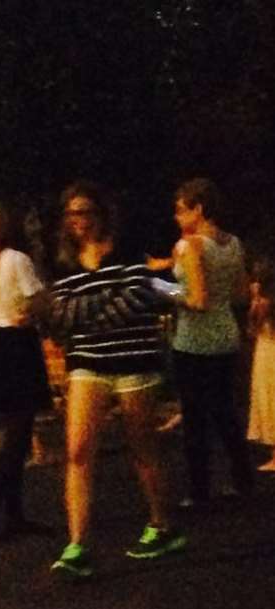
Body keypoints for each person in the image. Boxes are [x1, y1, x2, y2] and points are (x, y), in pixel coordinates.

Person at [49, 180, 185, 580]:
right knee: (77, 450)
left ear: (100, 213)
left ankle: (162, 525)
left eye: (85, 211)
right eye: (71, 213)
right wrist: (102, 306)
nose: (78, 220)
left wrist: (84, 311)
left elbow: (141, 296)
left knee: (143, 448)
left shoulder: (125, 252)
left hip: (134, 361)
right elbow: (60, 316)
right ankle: (77, 545)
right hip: (87, 362)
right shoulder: (63, 262)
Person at [167, 178, 254, 507]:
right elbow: (241, 293)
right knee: (225, 412)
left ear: (198, 209)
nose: (177, 217)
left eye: (181, 210)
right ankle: (242, 477)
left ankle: (199, 489)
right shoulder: (233, 243)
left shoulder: (190, 246)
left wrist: (166, 292)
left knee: (194, 415)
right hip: (226, 334)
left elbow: (197, 299)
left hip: (194, 339)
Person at [0, 204, 53, 541]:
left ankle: (13, 514)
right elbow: (41, 300)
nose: (36, 225)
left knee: (15, 435)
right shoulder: (19, 260)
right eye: (31, 219)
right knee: (17, 438)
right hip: (18, 347)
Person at [247, 256, 275, 470]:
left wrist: (255, 300)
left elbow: (253, 326)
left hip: (268, 350)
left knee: (268, 397)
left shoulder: (265, 300)